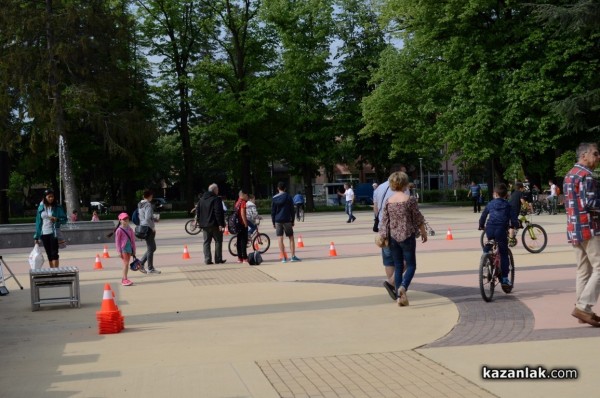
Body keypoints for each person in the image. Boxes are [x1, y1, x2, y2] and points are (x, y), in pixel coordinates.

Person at [563, 142, 600, 326]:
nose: (598, 157)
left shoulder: (569, 175)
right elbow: (590, 203)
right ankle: (583, 307)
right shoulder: (587, 176)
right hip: (589, 227)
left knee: (583, 270)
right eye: (595, 154)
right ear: (584, 156)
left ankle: (582, 311)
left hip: (574, 228)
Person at [378, 172, 427, 306]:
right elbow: (418, 217)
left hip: (393, 238)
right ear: (405, 184)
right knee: (411, 265)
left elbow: (384, 221)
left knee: (398, 266)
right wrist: (423, 232)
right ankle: (403, 287)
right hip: (407, 236)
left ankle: (399, 297)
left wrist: (383, 236)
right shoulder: (409, 199)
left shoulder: (389, 201)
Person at [478, 183, 519, 291]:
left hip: (490, 228)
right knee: (504, 253)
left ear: (495, 194)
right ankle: (505, 278)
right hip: (501, 230)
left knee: (489, 242)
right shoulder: (508, 205)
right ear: (506, 195)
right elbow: (513, 218)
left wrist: (481, 225)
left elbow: (483, 216)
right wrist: (515, 225)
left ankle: (485, 256)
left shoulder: (490, 204)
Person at [373, 176, 395, 300]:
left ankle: (393, 287)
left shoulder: (379, 188)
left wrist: (380, 220)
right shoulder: (403, 190)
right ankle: (392, 283)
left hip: (383, 229)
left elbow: (376, 208)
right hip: (398, 231)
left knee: (388, 260)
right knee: (407, 260)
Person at [33, 188, 67, 268]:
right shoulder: (41, 208)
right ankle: (52, 271)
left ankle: (56, 271)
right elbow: (38, 223)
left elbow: (65, 220)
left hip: (53, 233)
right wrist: (36, 236)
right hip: (44, 234)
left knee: (54, 253)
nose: (51, 198)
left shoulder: (58, 207)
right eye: (49, 197)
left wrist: (57, 219)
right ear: (45, 197)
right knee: (49, 254)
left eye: (52, 196)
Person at [197, 183, 226, 265]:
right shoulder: (216, 199)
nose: (218, 191)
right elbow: (218, 212)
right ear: (214, 190)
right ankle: (218, 259)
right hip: (215, 224)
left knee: (206, 242)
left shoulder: (202, 199)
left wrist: (199, 222)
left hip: (205, 225)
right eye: (217, 189)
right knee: (218, 241)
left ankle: (207, 259)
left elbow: (198, 211)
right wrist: (221, 224)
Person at [272, 181, 301, 263]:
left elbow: (273, 211)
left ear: (278, 188)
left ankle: (284, 257)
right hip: (287, 219)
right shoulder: (288, 197)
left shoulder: (274, 198)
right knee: (291, 237)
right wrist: (293, 220)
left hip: (277, 220)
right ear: (285, 188)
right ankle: (293, 256)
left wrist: (273, 222)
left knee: (280, 238)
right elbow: (292, 209)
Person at [138, 189, 161, 274]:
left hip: (143, 227)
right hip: (148, 228)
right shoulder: (148, 204)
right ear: (150, 196)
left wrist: (154, 218)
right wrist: (152, 227)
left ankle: (141, 263)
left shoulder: (140, 204)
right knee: (151, 248)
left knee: (152, 248)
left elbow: (144, 217)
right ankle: (149, 268)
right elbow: (147, 218)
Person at [114, 213, 136, 286]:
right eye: (124, 219)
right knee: (126, 264)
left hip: (129, 248)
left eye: (127, 219)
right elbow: (117, 242)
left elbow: (133, 241)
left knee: (126, 263)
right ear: (120, 220)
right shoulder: (119, 230)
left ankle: (124, 278)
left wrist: (134, 250)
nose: (126, 220)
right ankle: (124, 279)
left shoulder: (130, 229)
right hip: (123, 249)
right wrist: (119, 251)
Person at [234, 190, 249, 263]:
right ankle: (245, 258)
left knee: (239, 240)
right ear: (242, 195)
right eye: (246, 195)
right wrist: (245, 223)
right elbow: (243, 213)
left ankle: (239, 258)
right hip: (242, 224)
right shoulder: (243, 202)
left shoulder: (237, 202)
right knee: (243, 241)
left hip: (237, 224)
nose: (247, 197)